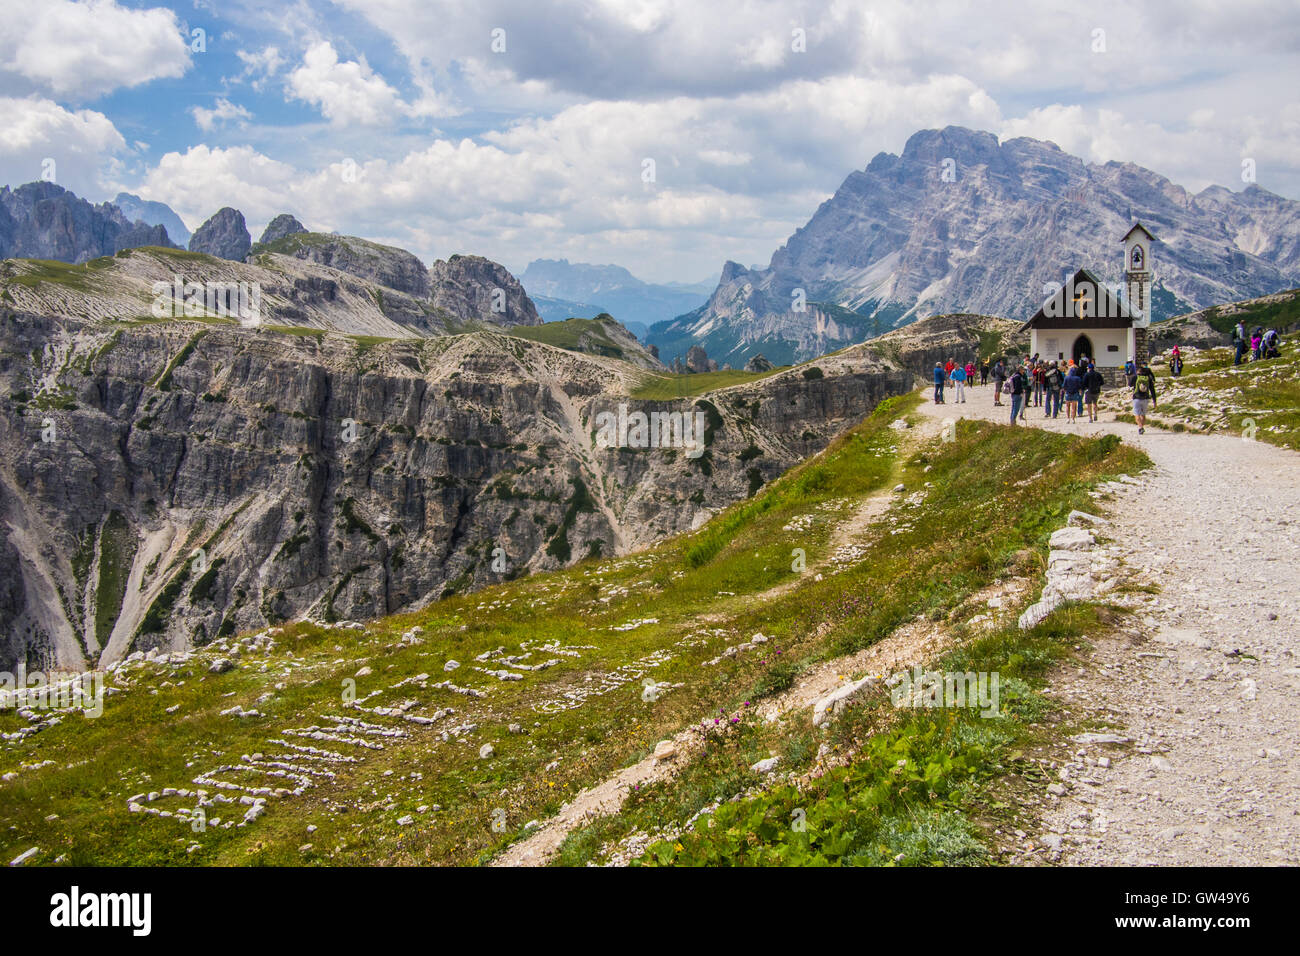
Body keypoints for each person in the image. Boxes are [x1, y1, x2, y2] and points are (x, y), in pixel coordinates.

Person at [1132, 359, 1158, 434]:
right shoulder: (1148, 379)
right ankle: (1142, 427)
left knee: (1137, 414)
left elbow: (1130, 384)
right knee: (1143, 415)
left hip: (1136, 398)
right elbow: (1152, 390)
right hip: (1146, 398)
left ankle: (1140, 427)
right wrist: (1154, 401)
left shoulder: (1136, 377)